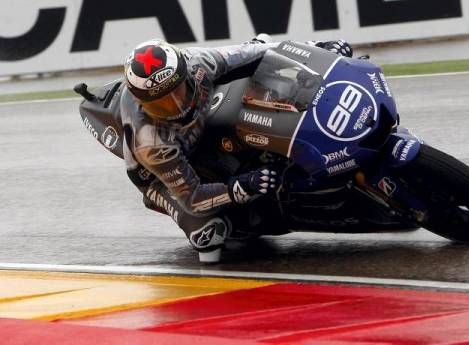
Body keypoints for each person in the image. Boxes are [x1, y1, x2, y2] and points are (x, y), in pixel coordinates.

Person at [120, 35, 353, 263]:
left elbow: (256, 51)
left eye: (179, 91)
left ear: (186, 74)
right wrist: (242, 186)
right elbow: (193, 197)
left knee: (259, 50)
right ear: (142, 103)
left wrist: (319, 50)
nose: (177, 106)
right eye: (162, 103)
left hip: (206, 119)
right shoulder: (152, 143)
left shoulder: (197, 62)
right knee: (207, 231)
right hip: (155, 176)